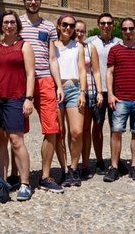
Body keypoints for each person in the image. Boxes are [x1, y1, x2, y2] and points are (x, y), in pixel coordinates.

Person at [19, 0, 65, 193]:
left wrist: (58, 84)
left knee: (52, 128)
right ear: (24, 1)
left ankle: (45, 175)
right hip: (21, 81)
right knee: (16, 129)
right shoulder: (16, 23)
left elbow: (52, 58)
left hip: (45, 79)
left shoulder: (48, 27)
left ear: (41, 0)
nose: (32, 2)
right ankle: (17, 174)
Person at [0, 10, 35, 201]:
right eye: (5, 22)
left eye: (12, 22)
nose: (9, 25)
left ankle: (25, 183)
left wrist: (29, 98)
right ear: (1, 25)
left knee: (17, 141)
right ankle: (2, 180)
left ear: (17, 25)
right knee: (0, 141)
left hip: (16, 98)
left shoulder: (24, 46)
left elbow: (31, 73)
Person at [104, 17, 135, 182]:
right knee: (116, 132)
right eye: (124, 29)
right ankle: (114, 167)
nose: (127, 32)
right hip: (120, 99)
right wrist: (110, 94)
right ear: (121, 31)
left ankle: (134, 166)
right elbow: (109, 72)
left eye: (130, 28)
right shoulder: (115, 50)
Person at [85, 13, 121, 175]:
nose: (106, 26)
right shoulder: (89, 42)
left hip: (115, 92)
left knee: (116, 127)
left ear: (112, 25)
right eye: (103, 23)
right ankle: (99, 160)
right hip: (97, 91)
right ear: (98, 25)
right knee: (97, 125)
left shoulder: (119, 43)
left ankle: (115, 160)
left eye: (109, 23)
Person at [54, 14, 87, 188]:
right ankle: (64, 169)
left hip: (74, 89)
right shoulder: (52, 46)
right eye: (65, 25)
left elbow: (82, 70)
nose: (68, 28)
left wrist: (82, 92)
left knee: (76, 132)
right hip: (56, 90)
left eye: (71, 26)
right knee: (59, 132)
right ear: (59, 26)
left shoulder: (78, 46)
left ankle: (74, 167)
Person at [74, 20, 103, 180]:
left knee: (85, 130)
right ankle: (73, 164)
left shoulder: (90, 48)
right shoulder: (67, 47)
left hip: (89, 91)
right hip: (72, 91)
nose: (78, 33)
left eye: (81, 31)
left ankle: (84, 165)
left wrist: (99, 92)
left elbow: (96, 71)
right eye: (76, 30)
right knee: (74, 132)